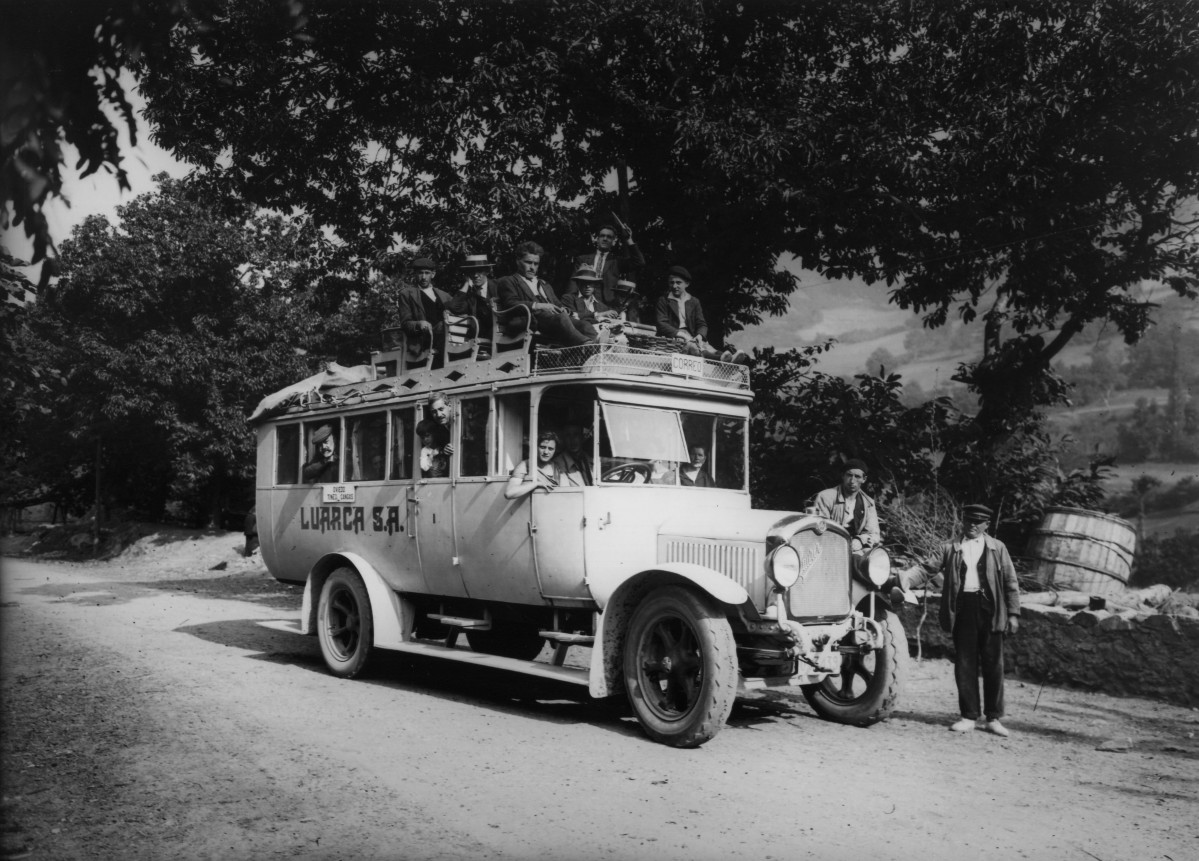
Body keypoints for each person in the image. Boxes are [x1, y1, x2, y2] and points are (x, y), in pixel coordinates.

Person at [902, 503, 1021, 737]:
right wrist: (906, 580)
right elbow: (927, 569)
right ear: (963, 522)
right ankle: (968, 716)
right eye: (969, 521)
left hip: (991, 610)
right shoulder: (950, 548)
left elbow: (1010, 582)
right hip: (963, 609)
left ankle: (994, 718)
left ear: (987, 525)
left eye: (978, 522)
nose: (973, 526)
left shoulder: (998, 548)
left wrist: (1014, 614)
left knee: (993, 664)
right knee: (965, 663)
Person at [496, 241, 597, 347]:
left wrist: (564, 309)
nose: (532, 267)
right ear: (518, 261)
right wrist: (539, 305)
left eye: (536, 264)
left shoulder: (544, 284)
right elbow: (510, 303)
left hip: (554, 321)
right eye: (528, 262)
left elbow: (558, 304)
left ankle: (600, 346)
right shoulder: (509, 281)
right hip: (530, 320)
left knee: (585, 325)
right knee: (561, 318)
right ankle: (587, 344)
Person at [653, 266, 749, 364]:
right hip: (673, 336)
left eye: (678, 282)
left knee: (707, 346)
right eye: (671, 282)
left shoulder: (694, 301)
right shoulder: (664, 301)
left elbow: (701, 323)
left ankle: (730, 358)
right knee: (696, 347)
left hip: (691, 336)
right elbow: (661, 324)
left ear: (687, 284)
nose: (674, 286)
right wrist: (681, 334)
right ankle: (723, 360)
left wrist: (700, 335)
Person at [810, 458, 881, 554]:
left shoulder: (868, 503)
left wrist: (860, 540)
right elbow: (819, 529)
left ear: (864, 479)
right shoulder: (826, 497)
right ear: (843, 476)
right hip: (828, 546)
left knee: (872, 559)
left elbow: (873, 533)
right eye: (849, 475)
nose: (852, 481)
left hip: (854, 548)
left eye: (857, 477)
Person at [396, 256, 454, 362]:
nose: (423, 277)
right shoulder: (407, 294)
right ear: (415, 274)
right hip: (423, 340)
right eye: (420, 273)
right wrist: (418, 324)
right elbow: (405, 324)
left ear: (433, 274)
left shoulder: (445, 296)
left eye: (427, 273)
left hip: (446, 336)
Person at [575, 219, 645, 306]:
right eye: (602, 236)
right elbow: (573, 283)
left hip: (608, 304)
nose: (605, 239)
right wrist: (571, 303)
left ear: (614, 242)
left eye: (609, 237)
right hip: (584, 302)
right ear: (597, 239)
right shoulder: (583, 259)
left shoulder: (617, 261)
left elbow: (639, 262)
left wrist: (629, 239)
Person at [505, 430, 580, 498]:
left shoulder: (557, 468)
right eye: (543, 447)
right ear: (536, 447)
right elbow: (509, 493)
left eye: (550, 449)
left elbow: (566, 493)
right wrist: (536, 484)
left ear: (555, 450)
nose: (546, 452)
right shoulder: (525, 465)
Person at [447, 253, 495, 355]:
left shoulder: (497, 286)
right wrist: (466, 284)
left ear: (487, 271)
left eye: (480, 271)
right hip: (480, 338)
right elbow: (454, 308)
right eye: (472, 272)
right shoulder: (470, 296)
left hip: (499, 333)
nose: (476, 275)